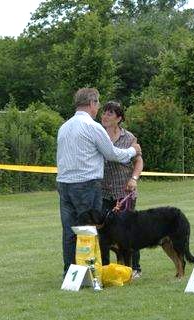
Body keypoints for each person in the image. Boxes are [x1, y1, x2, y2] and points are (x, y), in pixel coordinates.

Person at [56, 88, 141, 276]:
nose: (99, 108)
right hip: (86, 184)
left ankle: (70, 273)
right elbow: (112, 154)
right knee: (89, 230)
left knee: (69, 231)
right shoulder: (92, 127)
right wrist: (133, 151)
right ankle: (91, 273)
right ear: (92, 103)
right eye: (98, 103)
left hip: (63, 184)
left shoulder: (64, 127)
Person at [101, 101, 144, 279]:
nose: (105, 116)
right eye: (104, 112)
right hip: (102, 191)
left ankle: (134, 268)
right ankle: (106, 268)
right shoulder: (97, 134)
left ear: (119, 118)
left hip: (124, 192)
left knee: (128, 232)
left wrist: (134, 178)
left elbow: (139, 161)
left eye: (110, 114)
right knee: (105, 232)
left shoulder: (129, 138)